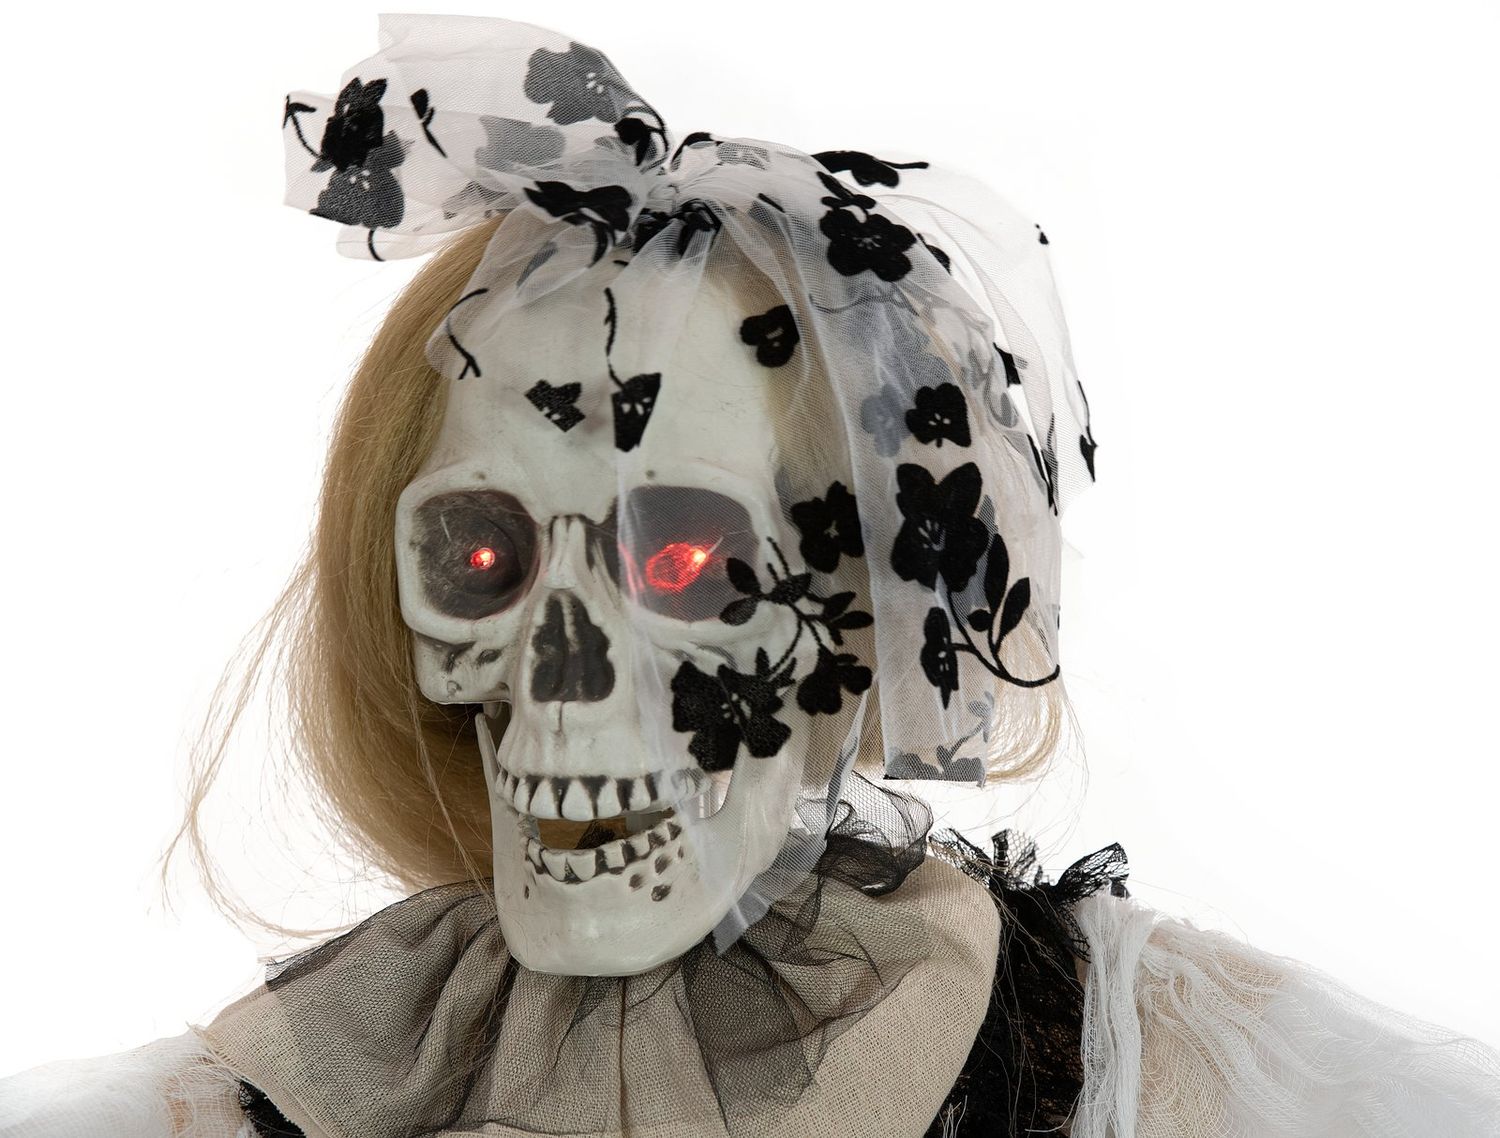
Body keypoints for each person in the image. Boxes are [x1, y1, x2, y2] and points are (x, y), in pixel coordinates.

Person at [3, 15, 1498, 1137]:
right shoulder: (257, 1098)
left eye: (682, 557)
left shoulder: (1162, 1078)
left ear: (878, 616)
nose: (566, 679)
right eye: (482, 556)